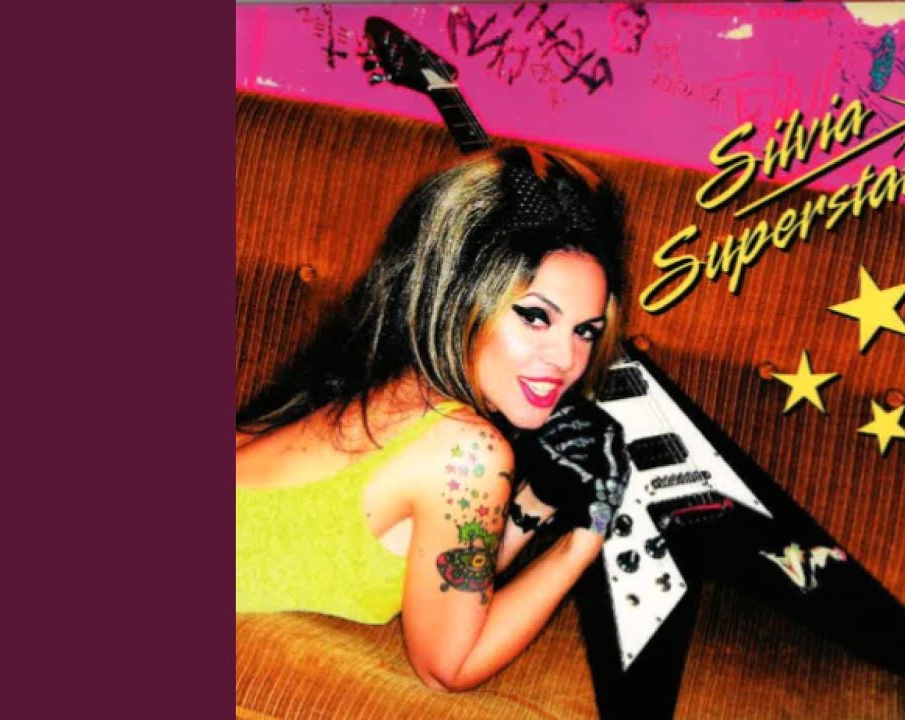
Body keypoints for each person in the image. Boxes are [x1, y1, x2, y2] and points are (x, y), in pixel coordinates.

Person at [235, 146, 632, 692]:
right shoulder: (469, 452)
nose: (566, 358)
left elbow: (448, 587)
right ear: (464, 301)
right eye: (535, 317)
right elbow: (448, 667)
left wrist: (537, 501)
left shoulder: (399, 391)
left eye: (585, 331)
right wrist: (589, 533)